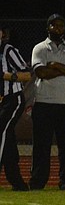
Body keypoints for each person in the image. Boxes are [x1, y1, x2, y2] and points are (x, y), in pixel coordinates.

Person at [29, 14, 65, 191]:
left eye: (61, 26)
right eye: (55, 25)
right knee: (41, 146)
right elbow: (41, 73)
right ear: (48, 27)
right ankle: (38, 181)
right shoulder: (40, 48)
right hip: (44, 102)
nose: (58, 29)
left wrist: (57, 65)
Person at [0, 25, 32, 191]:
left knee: (2, 131)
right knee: (8, 138)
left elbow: (27, 74)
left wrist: (6, 76)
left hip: (12, 99)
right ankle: (16, 180)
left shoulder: (9, 51)